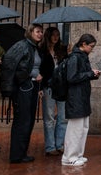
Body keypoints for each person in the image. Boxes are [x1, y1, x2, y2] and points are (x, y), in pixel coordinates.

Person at [4, 23, 44, 164]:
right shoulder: (22, 46)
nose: (40, 34)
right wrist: (31, 74)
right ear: (30, 32)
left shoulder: (34, 47)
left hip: (31, 86)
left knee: (28, 120)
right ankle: (16, 155)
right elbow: (10, 63)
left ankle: (22, 153)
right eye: (37, 31)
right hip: (23, 88)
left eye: (41, 32)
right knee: (22, 121)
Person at [61, 34, 101, 166]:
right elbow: (71, 77)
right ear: (83, 44)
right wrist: (90, 73)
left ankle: (78, 154)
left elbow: (80, 75)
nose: (92, 49)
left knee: (83, 127)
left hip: (82, 95)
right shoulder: (75, 57)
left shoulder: (82, 56)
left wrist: (92, 74)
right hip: (75, 96)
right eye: (91, 46)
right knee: (75, 128)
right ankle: (69, 157)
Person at [39, 26, 68, 156]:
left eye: (57, 35)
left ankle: (60, 144)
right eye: (53, 35)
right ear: (48, 36)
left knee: (63, 117)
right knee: (49, 118)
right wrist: (40, 88)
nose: (56, 37)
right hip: (48, 87)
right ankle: (50, 147)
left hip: (61, 87)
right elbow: (39, 69)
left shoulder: (62, 50)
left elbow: (66, 67)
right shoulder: (42, 50)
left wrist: (69, 54)